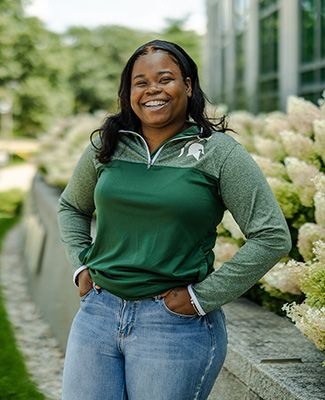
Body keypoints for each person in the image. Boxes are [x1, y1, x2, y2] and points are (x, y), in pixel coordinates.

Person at [58, 39, 291, 400]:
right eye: (140, 82)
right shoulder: (107, 146)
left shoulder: (219, 153)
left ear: (188, 85)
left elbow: (271, 235)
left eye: (164, 78)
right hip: (97, 316)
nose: (153, 89)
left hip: (172, 325)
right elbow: (72, 207)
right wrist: (81, 266)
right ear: (128, 92)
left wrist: (201, 298)